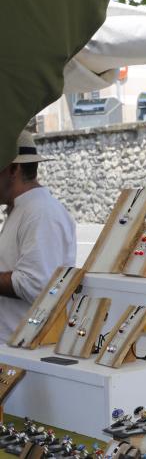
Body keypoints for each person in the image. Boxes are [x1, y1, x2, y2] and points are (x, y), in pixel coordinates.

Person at [0, 131, 76, 343]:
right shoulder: (25, 209)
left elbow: (36, 284)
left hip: (25, 351)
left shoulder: (41, 212)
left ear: (14, 169)